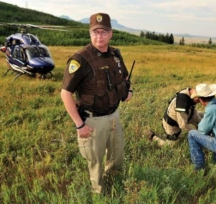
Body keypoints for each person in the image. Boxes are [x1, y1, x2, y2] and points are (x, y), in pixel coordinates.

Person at [60, 12, 133, 194]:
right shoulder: (80, 60)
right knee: (96, 162)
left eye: (104, 32)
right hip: (92, 122)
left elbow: (124, 76)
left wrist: (128, 90)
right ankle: (99, 194)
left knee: (117, 156)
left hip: (114, 115)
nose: (99, 36)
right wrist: (79, 124)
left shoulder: (115, 55)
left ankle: (115, 186)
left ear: (111, 33)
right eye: (95, 32)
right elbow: (65, 93)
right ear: (90, 33)